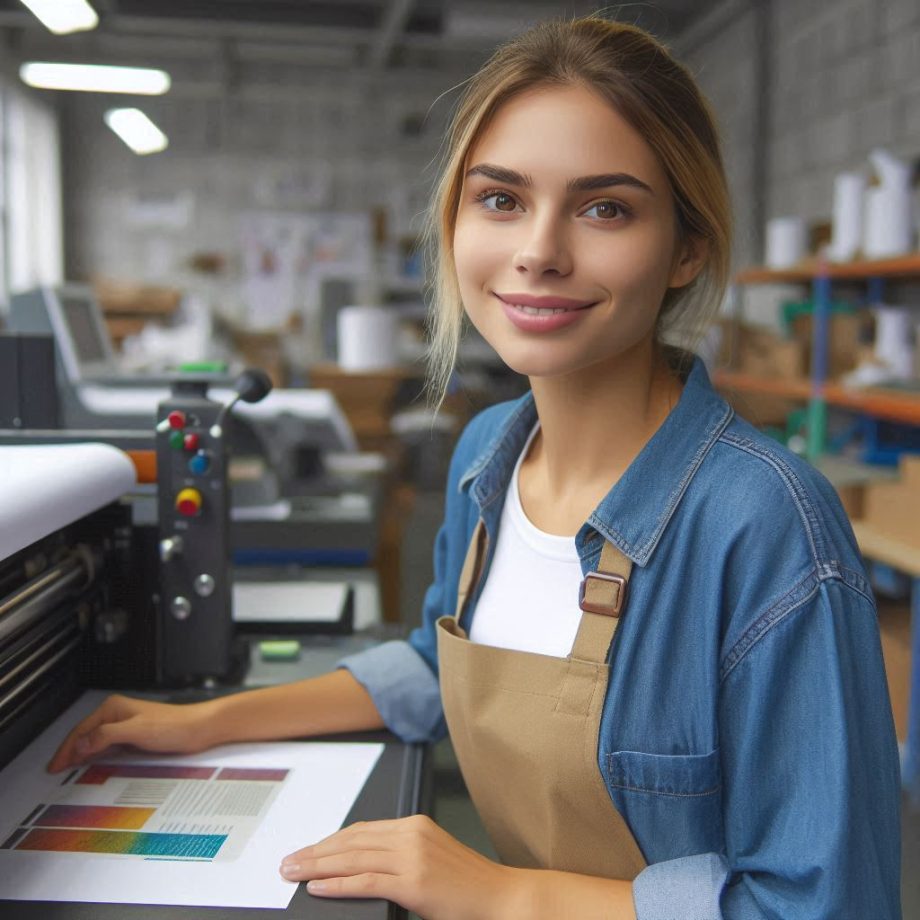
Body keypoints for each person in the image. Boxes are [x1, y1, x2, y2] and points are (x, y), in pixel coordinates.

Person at [49, 17, 901, 920]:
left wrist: (502, 894)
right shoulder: (490, 454)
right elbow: (436, 664)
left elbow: (824, 902)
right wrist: (202, 722)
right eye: (501, 199)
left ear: (687, 246)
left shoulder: (765, 525)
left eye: (605, 207)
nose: (538, 249)